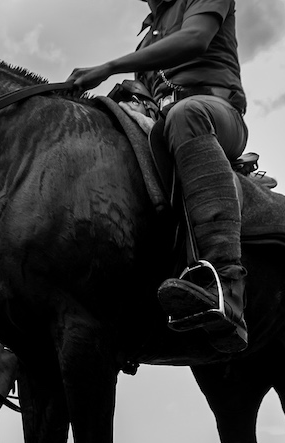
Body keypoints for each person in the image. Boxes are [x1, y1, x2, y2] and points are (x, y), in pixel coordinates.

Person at [68, 0, 249, 353]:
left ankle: (227, 285)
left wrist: (109, 67)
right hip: (162, 121)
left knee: (186, 114)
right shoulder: (148, 31)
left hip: (214, 111)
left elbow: (195, 39)